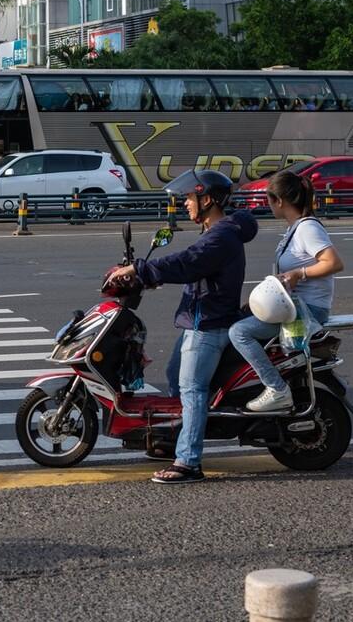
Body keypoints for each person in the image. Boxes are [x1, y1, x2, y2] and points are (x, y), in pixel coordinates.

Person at [107, 170, 258, 484]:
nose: (186, 204)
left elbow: (188, 262)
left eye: (190, 197)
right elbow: (194, 271)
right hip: (199, 320)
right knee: (175, 376)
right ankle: (176, 438)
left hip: (208, 326)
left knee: (192, 391)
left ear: (208, 199)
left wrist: (140, 268)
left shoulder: (221, 235)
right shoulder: (216, 231)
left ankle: (189, 463)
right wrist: (147, 278)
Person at [229, 170, 344, 412]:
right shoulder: (295, 228)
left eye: (269, 201)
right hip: (294, 308)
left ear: (279, 201)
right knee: (242, 318)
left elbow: (333, 263)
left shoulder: (307, 229)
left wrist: (298, 273)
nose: (269, 206)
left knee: (239, 332)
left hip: (308, 313)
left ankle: (276, 389)